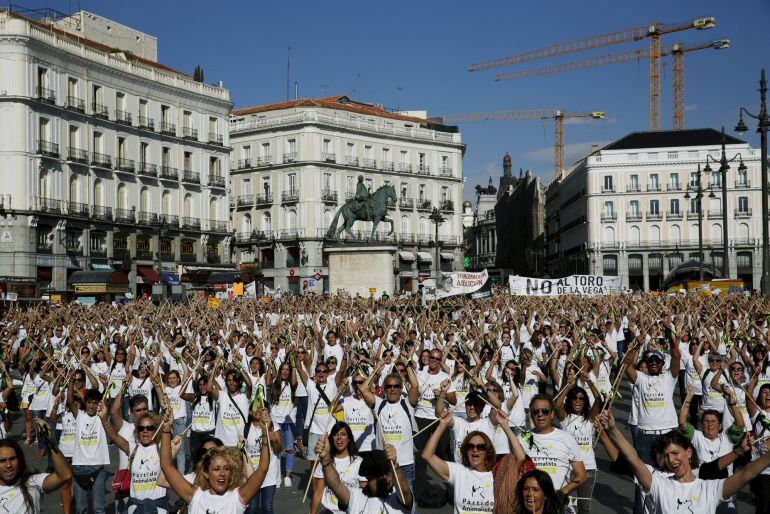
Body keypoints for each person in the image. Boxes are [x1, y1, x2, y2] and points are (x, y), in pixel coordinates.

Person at [600, 409, 770, 514]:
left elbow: (748, 473)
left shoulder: (709, 489)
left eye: (675, 453)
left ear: (689, 452)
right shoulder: (659, 484)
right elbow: (633, 459)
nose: (671, 460)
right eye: (666, 456)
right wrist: (613, 430)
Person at [158, 406, 270, 514]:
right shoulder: (195, 497)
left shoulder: (237, 498)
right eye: (216, 469)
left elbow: (262, 470)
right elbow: (167, 466)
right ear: (206, 472)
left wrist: (265, 435)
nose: (222, 473)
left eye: (226, 469)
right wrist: (167, 428)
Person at [423, 408, 526, 514]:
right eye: (470, 446)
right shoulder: (458, 471)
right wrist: (442, 425)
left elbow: (520, 457)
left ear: (487, 451)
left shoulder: (497, 473)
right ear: (465, 450)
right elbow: (427, 455)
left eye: (480, 446)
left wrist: (505, 425)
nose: (475, 450)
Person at [315, 437, 413, 514]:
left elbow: (404, 492)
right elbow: (336, 485)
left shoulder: (398, 499)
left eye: (389, 474)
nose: (386, 479)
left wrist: (395, 464)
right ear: (368, 478)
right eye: (379, 477)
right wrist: (326, 461)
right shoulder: (356, 497)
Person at [518, 394, 587, 496]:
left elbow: (581, 474)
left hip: (557, 501)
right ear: (531, 415)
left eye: (545, 411)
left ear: (552, 414)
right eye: (536, 411)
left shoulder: (567, 438)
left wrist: (563, 492)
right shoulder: (522, 438)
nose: (540, 414)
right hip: (531, 501)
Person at [0, 436, 73, 514]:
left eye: (12, 459)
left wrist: (51, 443)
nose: (8, 465)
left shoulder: (32, 481)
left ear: (19, 460)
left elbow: (65, 475)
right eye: (2, 461)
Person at [311, 422, 364, 514]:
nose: (339, 437)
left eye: (343, 434)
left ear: (349, 439)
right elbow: (318, 492)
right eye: (335, 434)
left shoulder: (359, 462)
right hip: (329, 511)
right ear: (332, 439)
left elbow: (364, 493)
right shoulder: (325, 461)